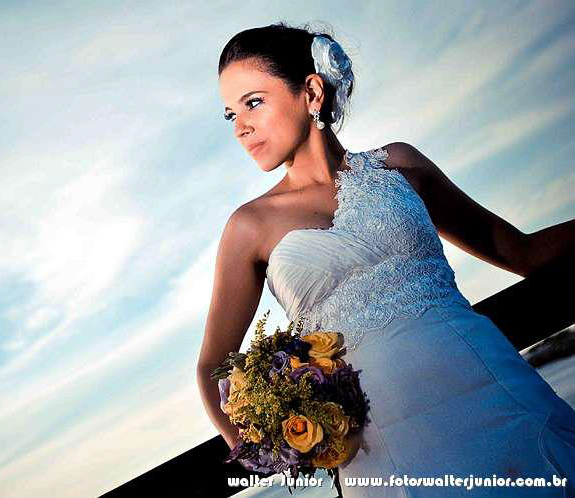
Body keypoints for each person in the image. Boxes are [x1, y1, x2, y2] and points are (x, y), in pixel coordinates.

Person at [195, 22, 575, 497]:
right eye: (230, 114)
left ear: (311, 92)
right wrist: (270, 448)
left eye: (253, 102)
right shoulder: (249, 227)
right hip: (384, 453)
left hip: (498, 394)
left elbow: (522, 251)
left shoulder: (399, 165)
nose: (240, 127)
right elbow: (212, 366)